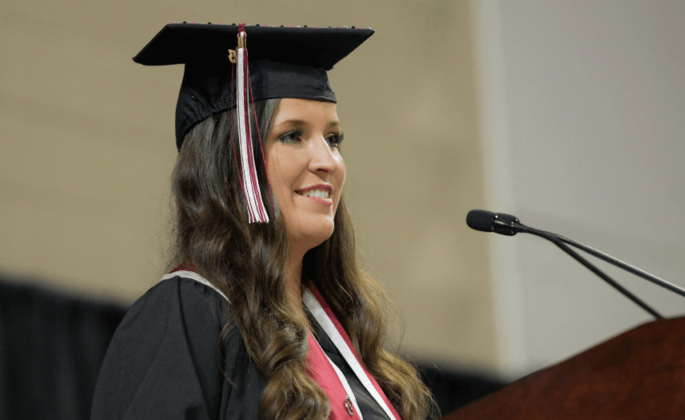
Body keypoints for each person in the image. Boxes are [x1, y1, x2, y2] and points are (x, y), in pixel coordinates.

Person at [90, 23, 433, 420]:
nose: (327, 161)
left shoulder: (348, 344)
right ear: (233, 163)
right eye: (292, 135)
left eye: (333, 139)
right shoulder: (190, 317)